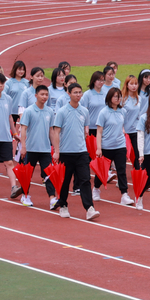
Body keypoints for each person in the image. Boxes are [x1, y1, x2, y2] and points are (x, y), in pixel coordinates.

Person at [51, 82, 99, 220]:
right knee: (65, 181)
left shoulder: (84, 111)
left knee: (85, 180)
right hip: (66, 152)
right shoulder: (62, 112)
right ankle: (63, 205)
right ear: (68, 93)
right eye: (75, 92)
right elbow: (56, 132)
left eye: (80, 92)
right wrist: (57, 151)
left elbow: (85, 129)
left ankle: (89, 208)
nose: (78, 95)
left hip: (81, 152)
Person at [18, 84, 58, 208]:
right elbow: (23, 128)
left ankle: (52, 198)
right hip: (31, 148)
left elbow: (51, 131)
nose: (44, 97)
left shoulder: (50, 111)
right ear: (36, 95)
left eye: (46, 94)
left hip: (45, 149)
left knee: (49, 174)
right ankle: (25, 195)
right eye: (42, 94)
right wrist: (23, 146)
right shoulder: (29, 111)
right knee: (27, 174)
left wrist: (56, 149)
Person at [95, 87, 134, 205]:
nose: (118, 99)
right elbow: (99, 131)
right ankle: (96, 189)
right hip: (107, 146)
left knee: (121, 170)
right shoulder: (104, 112)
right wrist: (99, 148)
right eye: (115, 96)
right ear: (110, 98)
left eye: (119, 96)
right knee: (103, 171)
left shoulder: (123, 111)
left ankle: (124, 194)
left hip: (120, 145)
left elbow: (122, 125)